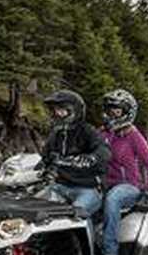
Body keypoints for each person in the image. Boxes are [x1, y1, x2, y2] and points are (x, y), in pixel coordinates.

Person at [99, 89, 148, 255]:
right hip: (103, 182)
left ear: (127, 112)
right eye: (109, 110)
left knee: (112, 200)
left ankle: (110, 254)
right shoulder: (103, 134)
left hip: (128, 186)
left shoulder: (133, 136)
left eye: (116, 111)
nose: (111, 114)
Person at [36, 89, 111, 217]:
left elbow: (104, 151)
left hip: (87, 188)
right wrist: (42, 167)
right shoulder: (56, 134)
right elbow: (45, 156)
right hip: (60, 186)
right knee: (35, 208)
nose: (57, 114)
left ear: (74, 111)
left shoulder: (87, 131)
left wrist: (91, 158)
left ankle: (91, 237)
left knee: (76, 215)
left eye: (61, 110)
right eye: (54, 110)